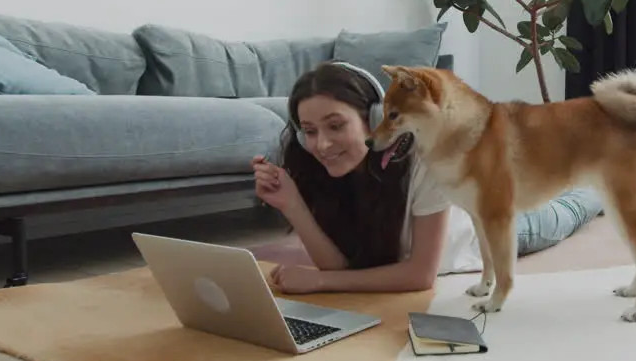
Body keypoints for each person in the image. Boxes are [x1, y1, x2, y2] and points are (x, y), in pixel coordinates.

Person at [250, 60, 603, 295]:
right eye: (309, 131)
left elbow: (419, 276)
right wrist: (292, 204)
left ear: (376, 117)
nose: (321, 144)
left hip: (482, 227)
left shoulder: (424, 158)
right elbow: (339, 265)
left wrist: (321, 282)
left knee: (573, 202)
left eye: (336, 125)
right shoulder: (318, 167)